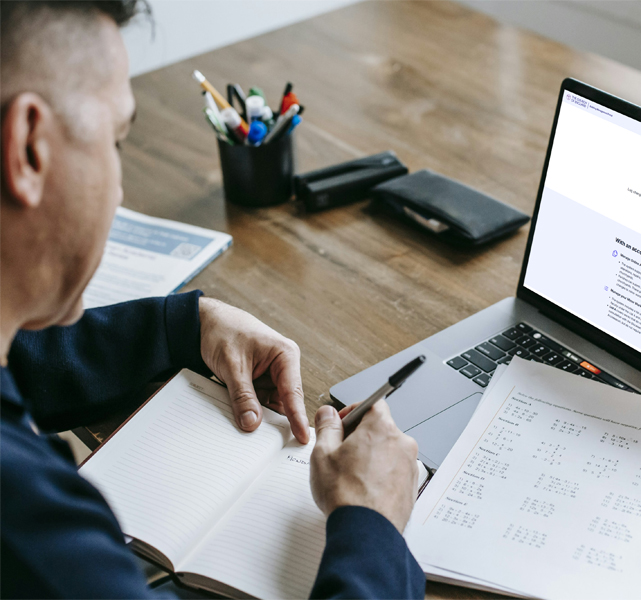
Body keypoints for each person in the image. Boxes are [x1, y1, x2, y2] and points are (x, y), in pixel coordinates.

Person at [0, 2, 425, 598]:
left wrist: (182, 325)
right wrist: (373, 528)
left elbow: (19, 361)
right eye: (117, 141)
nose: (118, 185)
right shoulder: (32, 533)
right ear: (29, 148)